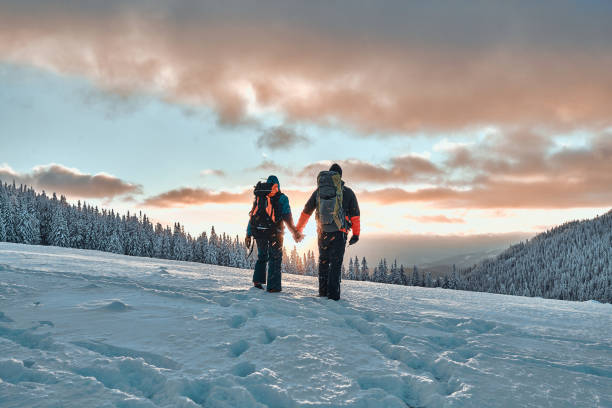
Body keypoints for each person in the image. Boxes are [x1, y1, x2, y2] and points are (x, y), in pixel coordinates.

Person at [295, 163, 360, 300]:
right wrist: (356, 234)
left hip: (322, 231)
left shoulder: (319, 192)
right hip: (339, 232)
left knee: (323, 262)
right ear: (339, 177)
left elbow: (306, 211)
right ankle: (333, 296)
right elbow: (355, 215)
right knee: (335, 264)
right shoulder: (347, 192)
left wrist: (299, 229)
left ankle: (323, 292)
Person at [245, 175, 302, 292]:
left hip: (259, 231)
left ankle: (257, 282)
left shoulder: (260, 197)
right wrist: (294, 232)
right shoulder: (282, 198)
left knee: (262, 256)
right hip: (275, 233)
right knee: (275, 258)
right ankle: (273, 288)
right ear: (277, 185)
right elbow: (287, 217)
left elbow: (252, 216)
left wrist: (248, 234)